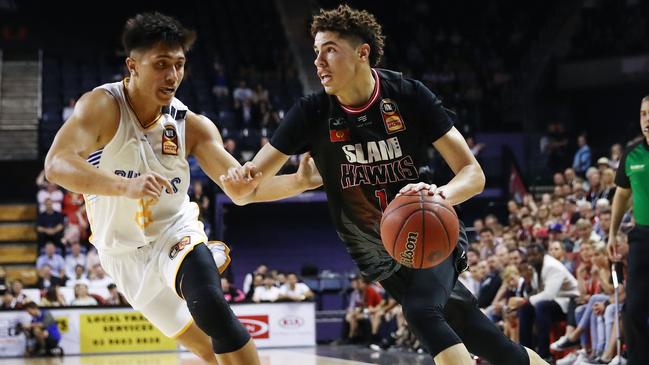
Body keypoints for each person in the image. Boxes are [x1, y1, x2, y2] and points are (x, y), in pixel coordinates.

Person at [221, 5, 548, 365]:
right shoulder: (310, 113)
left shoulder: (408, 95)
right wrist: (293, 181)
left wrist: (438, 195)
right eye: (316, 52)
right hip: (378, 254)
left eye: (330, 49)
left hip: (426, 232)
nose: (319, 61)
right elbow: (246, 192)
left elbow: (473, 174)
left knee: (421, 311)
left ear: (362, 52)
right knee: (488, 342)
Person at [43, 12, 310, 365]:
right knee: (205, 350)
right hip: (121, 255)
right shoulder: (103, 106)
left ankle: (203, 273)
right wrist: (124, 186)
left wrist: (300, 181)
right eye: (161, 64)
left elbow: (243, 191)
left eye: (180, 65)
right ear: (133, 66)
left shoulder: (191, 125)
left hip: (174, 232)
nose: (172, 76)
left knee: (212, 306)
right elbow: (56, 164)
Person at [607, 95, 649, 365]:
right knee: (633, 310)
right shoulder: (632, 155)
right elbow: (621, 196)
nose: (647, 120)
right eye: (644, 114)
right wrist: (612, 233)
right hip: (642, 238)